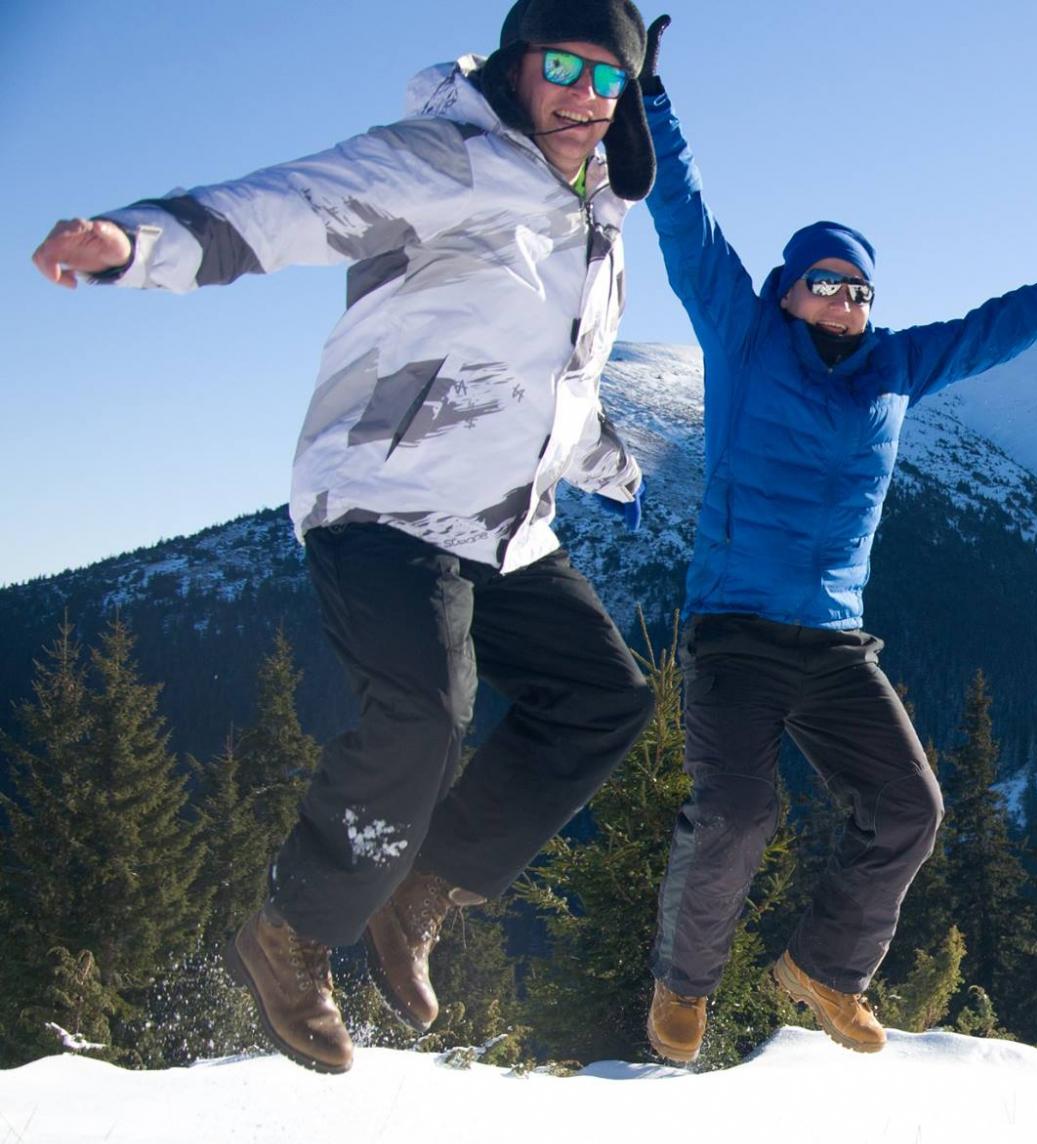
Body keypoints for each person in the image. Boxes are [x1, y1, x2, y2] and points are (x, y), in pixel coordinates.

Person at [27, 0, 666, 1075]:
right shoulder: (445, 159)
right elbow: (293, 204)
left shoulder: (597, 212)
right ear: (516, 66)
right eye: (564, 66)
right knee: (424, 719)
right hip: (384, 499)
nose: (583, 96)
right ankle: (291, 931)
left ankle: (420, 890)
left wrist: (609, 464)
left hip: (502, 522)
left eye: (609, 80)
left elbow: (549, 376)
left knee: (603, 698)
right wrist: (141, 241)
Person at [635, 19, 1037, 1063]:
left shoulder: (896, 368)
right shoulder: (744, 334)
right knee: (735, 814)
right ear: (788, 288)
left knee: (909, 808)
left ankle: (826, 967)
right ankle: (682, 985)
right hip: (733, 632)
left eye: (860, 288)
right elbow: (685, 222)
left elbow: (990, 329)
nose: (844, 301)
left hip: (832, 642)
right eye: (826, 282)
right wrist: (651, 105)